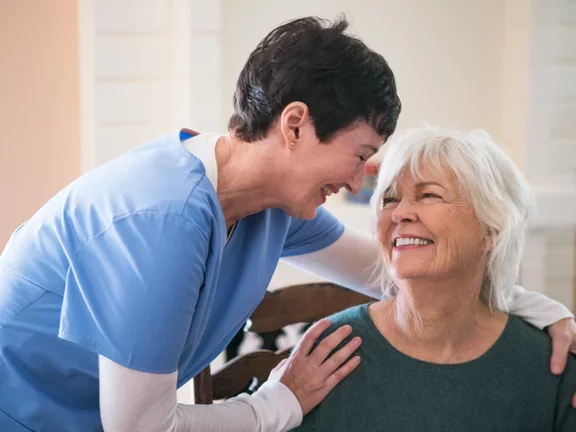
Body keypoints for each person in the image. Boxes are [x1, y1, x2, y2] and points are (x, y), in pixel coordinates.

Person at [0, 16, 574, 432]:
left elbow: (393, 270)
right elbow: (141, 429)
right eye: (360, 155)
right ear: (296, 125)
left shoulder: (267, 205)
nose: (358, 185)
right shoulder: (162, 221)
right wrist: (282, 400)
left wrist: (537, 311)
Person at [296, 126, 576, 431]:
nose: (400, 213)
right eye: (389, 199)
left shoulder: (550, 363)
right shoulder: (333, 348)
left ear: (492, 231)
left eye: (428, 195)